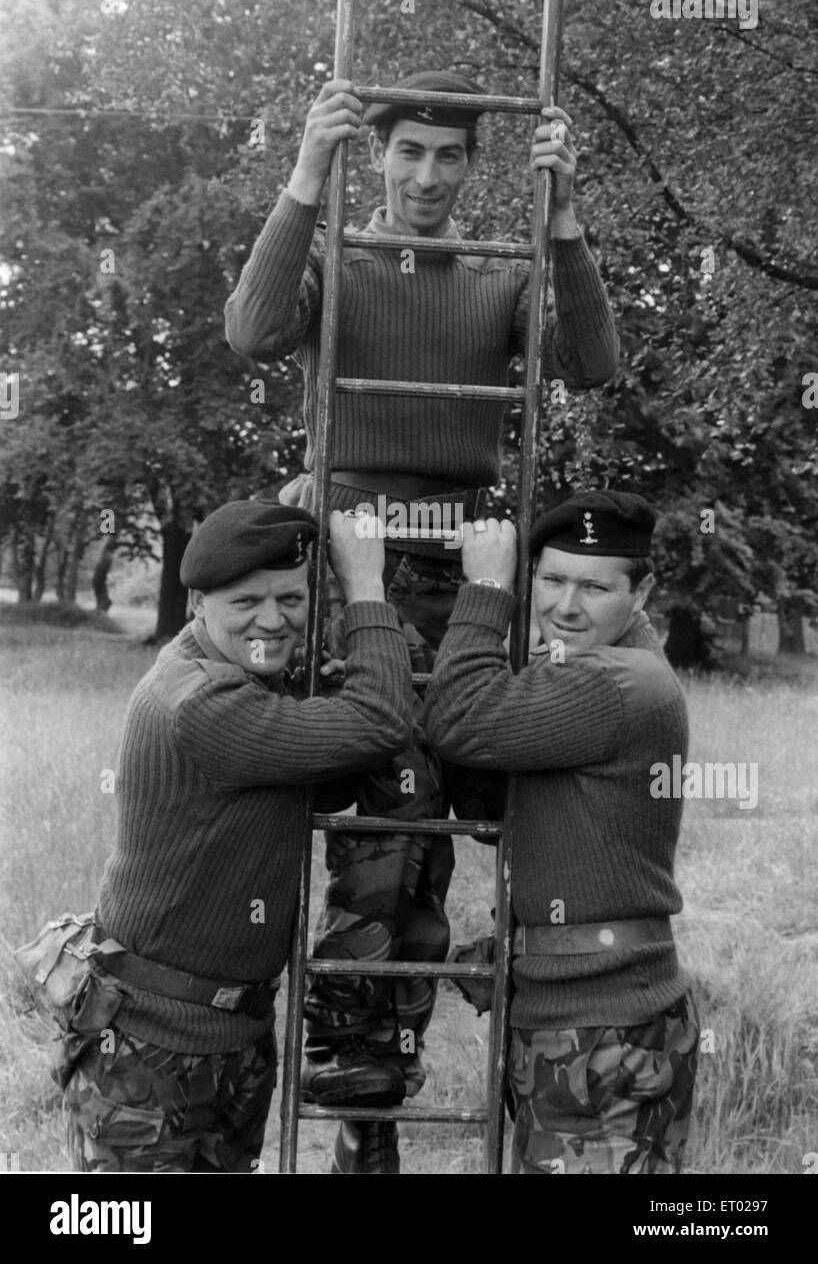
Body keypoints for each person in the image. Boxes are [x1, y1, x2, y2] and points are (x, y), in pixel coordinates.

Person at [224, 68, 619, 1172]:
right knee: (390, 812)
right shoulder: (339, 261)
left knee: (474, 801)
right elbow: (252, 330)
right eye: (408, 153)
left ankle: (494, 1023)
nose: (427, 177)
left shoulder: (495, 275)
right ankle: (361, 1099)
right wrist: (305, 176)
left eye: (451, 157)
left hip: (468, 567)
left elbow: (591, 365)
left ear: (470, 171)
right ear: (379, 155)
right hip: (358, 564)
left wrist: (565, 221)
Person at [62, 500, 413, 1173]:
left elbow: (330, 774)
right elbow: (380, 722)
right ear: (197, 601)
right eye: (247, 601)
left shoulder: (245, 677)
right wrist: (367, 588)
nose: (273, 620)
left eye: (290, 597)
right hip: (153, 1043)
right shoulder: (204, 702)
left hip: (235, 1032)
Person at [424, 491, 699, 1174]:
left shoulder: (617, 683)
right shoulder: (582, 669)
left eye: (595, 587)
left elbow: (457, 720)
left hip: (602, 1024)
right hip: (574, 1013)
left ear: (642, 593)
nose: (565, 606)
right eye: (550, 580)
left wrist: (487, 587)